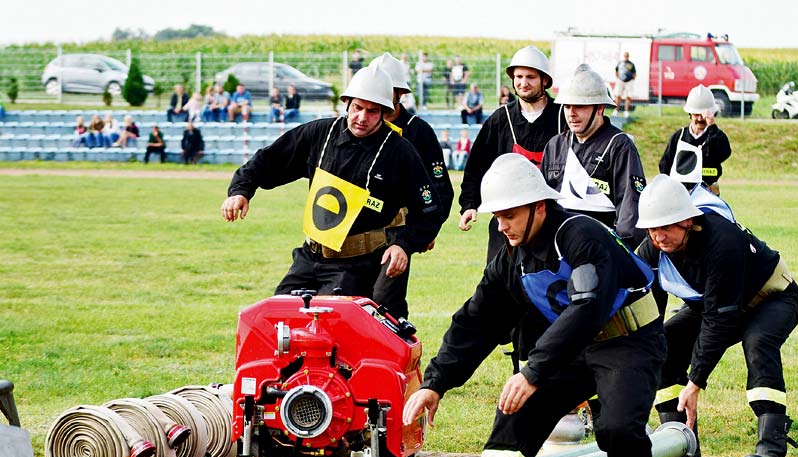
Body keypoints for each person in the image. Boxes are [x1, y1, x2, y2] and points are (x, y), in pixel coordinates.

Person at [402, 153, 668, 457]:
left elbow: (588, 306)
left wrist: (533, 371)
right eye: (497, 217)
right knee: (517, 408)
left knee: (616, 429)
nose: (501, 225)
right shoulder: (512, 256)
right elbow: (477, 320)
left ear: (538, 206)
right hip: (574, 346)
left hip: (629, 339)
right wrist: (436, 382)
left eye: (509, 214)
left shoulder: (581, 234)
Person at [221, 64, 442, 304]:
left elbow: (429, 208)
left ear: (384, 112)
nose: (362, 118)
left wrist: (404, 245)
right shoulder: (320, 133)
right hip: (309, 256)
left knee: (332, 325)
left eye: (372, 111)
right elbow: (269, 159)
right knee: (279, 315)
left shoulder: (399, 151)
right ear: (346, 102)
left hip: (357, 265)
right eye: (357, 108)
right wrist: (241, 190)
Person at [635, 175, 798, 457]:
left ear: (687, 220)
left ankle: (770, 452)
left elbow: (719, 321)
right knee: (666, 344)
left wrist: (695, 382)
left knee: (758, 342)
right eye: (652, 228)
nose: (658, 236)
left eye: (666, 227)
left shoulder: (721, 241)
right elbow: (646, 306)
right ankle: (680, 453)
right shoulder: (652, 249)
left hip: (771, 298)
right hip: (719, 305)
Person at [367, 52, 455, 320]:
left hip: (398, 233)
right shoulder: (357, 128)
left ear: (400, 93)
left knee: (384, 301)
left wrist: (425, 229)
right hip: (355, 231)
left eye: (387, 90)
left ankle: (398, 356)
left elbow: (440, 189)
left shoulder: (420, 132)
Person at [459, 45, 566, 263]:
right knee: (499, 287)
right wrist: (469, 204)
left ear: (544, 80)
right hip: (506, 221)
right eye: (518, 76)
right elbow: (476, 166)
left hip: (550, 220)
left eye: (530, 77)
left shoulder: (562, 117)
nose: (523, 83)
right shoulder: (500, 119)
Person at [541, 64, 647, 249]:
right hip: (557, 249)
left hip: (600, 249)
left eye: (579, 106)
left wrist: (620, 251)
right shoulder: (555, 145)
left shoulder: (619, 145)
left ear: (599, 108)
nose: (571, 113)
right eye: (567, 106)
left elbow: (630, 206)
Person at [658, 84, 731, 195]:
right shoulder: (679, 136)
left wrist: (712, 126)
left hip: (708, 193)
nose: (700, 119)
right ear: (690, 115)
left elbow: (724, 153)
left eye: (704, 115)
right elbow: (665, 164)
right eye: (696, 115)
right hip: (680, 193)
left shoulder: (716, 136)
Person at [613, 52, 637, 118]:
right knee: (618, 95)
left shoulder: (631, 64)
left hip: (629, 82)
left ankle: (626, 111)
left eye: (627, 56)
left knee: (628, 96)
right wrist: (618, 78)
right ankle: (616, 110)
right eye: (625, 56)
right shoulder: (620, 63)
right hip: (620, 81)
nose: (626, 57)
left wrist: (632, 79)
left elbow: (634, 73)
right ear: (623, 56)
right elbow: (616, 70)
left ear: (628, 56)